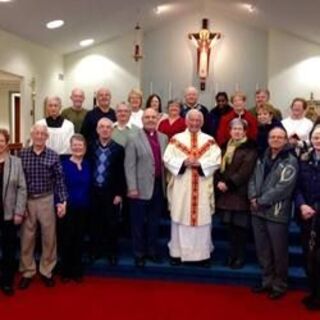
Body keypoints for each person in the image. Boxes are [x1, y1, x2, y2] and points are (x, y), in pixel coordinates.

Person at [163, 109, 221, 266]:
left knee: (202, 219)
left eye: (198, 121)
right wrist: (183, 163)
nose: (194, 123)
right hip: (182, 185)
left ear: (202, 122)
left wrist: (201, 164)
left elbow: (216, 160)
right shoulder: (176, 139)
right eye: (191, 120)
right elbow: (167, 158)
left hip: (202, 185)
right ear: (186, 121)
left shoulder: (209, 141)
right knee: (180, 217)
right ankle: (177, 253)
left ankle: (202, 256)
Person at [248, 127, 298, 300]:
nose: (276, 140)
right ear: (268, 139)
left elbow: (284, 188)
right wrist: (253, 196)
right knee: (263, 250)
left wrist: (261, 200)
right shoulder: (263, 156)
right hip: (257, 212)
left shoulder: (290, 160)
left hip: (276, 213)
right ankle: (267, 281)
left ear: (285, 140)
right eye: (273, 137)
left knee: (279, 251)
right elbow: (253, 178)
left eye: (280, 137)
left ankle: (280, 284)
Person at [19, 124, 67, 289]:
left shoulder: (53, 156)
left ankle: (47, 271)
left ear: (47, 137)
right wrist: (20, 205)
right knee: (27, 238)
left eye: (42, 134)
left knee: (49, 237)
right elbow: (19, 182)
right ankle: (27, 271)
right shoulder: (22, 155)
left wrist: (62, 201)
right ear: (32, 135)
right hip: (28, 200)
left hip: (47, 199)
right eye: (36, 133)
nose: (39, 136)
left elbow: (59, 180)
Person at [125, 108, 168, 267]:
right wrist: (132, 188)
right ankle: (138, 253)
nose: (150, 119)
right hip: (139, 187)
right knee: (137, 223)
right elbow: (129, 165)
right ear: (142, 120)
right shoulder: (133, 138)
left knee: (154, 222)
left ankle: (152, 251)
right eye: (147, 117)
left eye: (153, 117)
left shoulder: (164, 138)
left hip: (158, 185)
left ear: (157, 119)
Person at [215, 119, 257, 269]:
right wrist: (219, 181)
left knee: (240, 228)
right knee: (231, 228)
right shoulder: (225, 146)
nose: (237, 132)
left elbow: (246, 170)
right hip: (226, 193)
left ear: (245, 131)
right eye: (234, 129)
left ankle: (240, 257)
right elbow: (217, 165)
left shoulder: (250, 148)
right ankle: (231, 255)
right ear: (230, 131)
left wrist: (228, 184)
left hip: (240, 192)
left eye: (240, 129)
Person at [88, 118, 125, 265]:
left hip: (111, 192)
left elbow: (122, 173)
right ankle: (95, 251)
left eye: (108, 127)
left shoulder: (119, 149)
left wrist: (119, 193)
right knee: (94, 224)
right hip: (93, 191)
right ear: (97, 130)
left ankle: (112, 253)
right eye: (101, 127)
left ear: (112, 130)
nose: (105, 129)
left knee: (112, 224)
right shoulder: (90, 146)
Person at [59, 134, 91, 282]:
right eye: (75, 145)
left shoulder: (88, 164)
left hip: (84, 208)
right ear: (70, 147)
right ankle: (66, 271)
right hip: (68, 208)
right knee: (67, 239)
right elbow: (59, 186)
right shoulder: (63, 164)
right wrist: (60, 203)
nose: (78, 148)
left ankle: (77, 270)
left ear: (85, 148)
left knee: (79, 239)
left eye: (81, 145)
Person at [295, 125, 320, 311]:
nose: (318, 140)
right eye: (316, 137)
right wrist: (302, 204)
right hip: (306, 215)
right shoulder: (304, 159)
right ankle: (314, 293)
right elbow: (296, 187)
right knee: (309, 256)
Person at [0, 129, 26, 296]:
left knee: (9, 249)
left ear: (7, 142)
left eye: (2, 140)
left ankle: (7, 281)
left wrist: (19, 211)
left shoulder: (16, 162)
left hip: (8, 213)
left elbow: (22, 188)